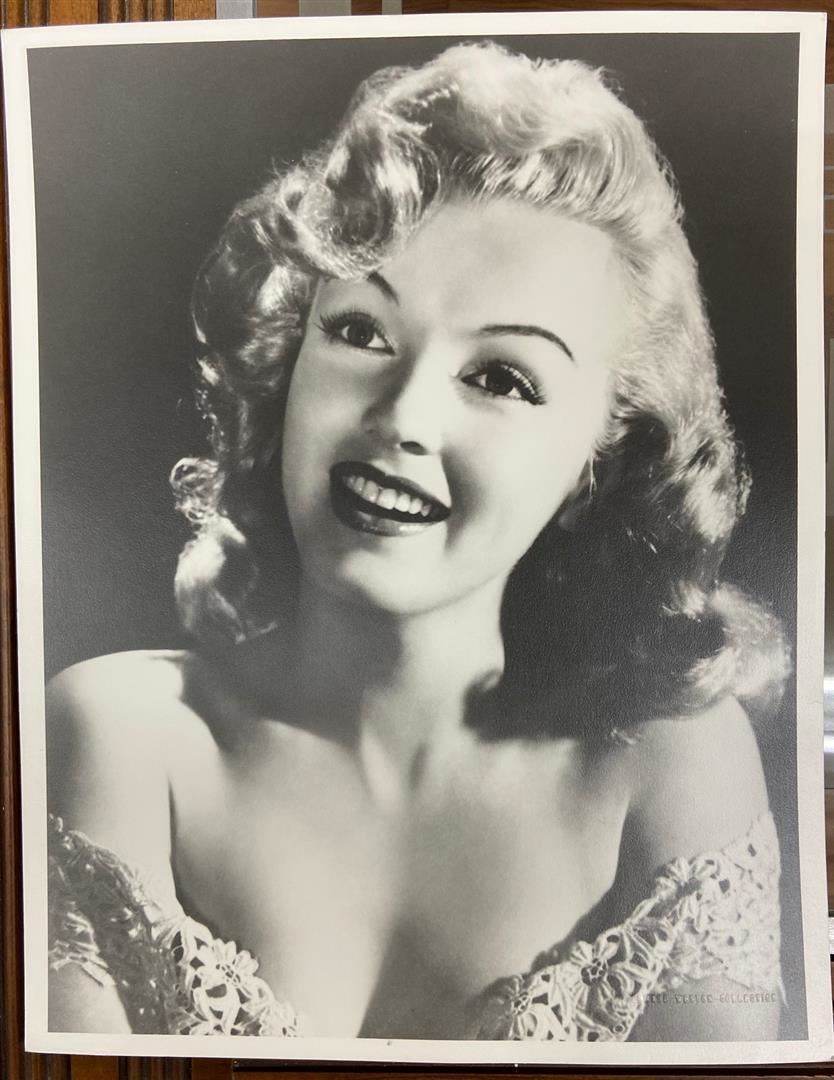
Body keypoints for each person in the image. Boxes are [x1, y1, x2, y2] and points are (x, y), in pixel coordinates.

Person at [46, 41, 790, 1043]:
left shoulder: (662, 769)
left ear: (599, 465)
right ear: (289, 357)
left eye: (501, 378)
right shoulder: (122, 738)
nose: (402, 417)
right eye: (360, 331)